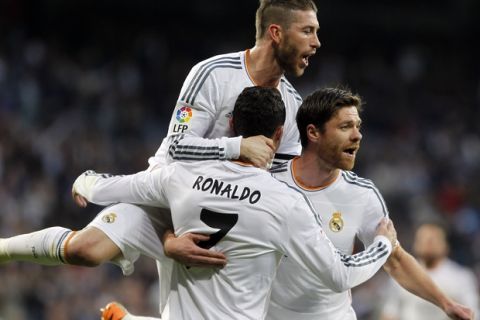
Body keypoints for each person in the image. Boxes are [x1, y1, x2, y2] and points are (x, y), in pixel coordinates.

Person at [0, 0, 319, 275]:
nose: (316, 42)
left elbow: (280, 184)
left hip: (222, 214)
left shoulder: (293, 107)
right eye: (307, 31)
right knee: (85, 250)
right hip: (163, 199)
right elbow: (178, 146)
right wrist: (236, 146)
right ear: (276, 33)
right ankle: (5, 248)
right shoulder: (213, 74)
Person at [73, 86, 397, 319]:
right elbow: (339, 275)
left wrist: (85, 182)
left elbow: (112, 188)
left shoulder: (181, 175)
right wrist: (382, 245)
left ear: (231, 126)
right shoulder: (285, 201)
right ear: (281, 133)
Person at [264, 87, 475, 320]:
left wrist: (445, 303)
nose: (357, 135)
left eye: (358, 126)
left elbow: (394, 259)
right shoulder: (270, 180)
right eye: (345, 127)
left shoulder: (361, 194)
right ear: (313, 133)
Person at [380, 222, 479, 320]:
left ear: (445, 245)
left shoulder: (461, 277)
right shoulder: (400, 274)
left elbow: (472, 313)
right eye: (423, 239)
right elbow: (390, 313)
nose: (427, 243)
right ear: (415, 243)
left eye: (432, 239)